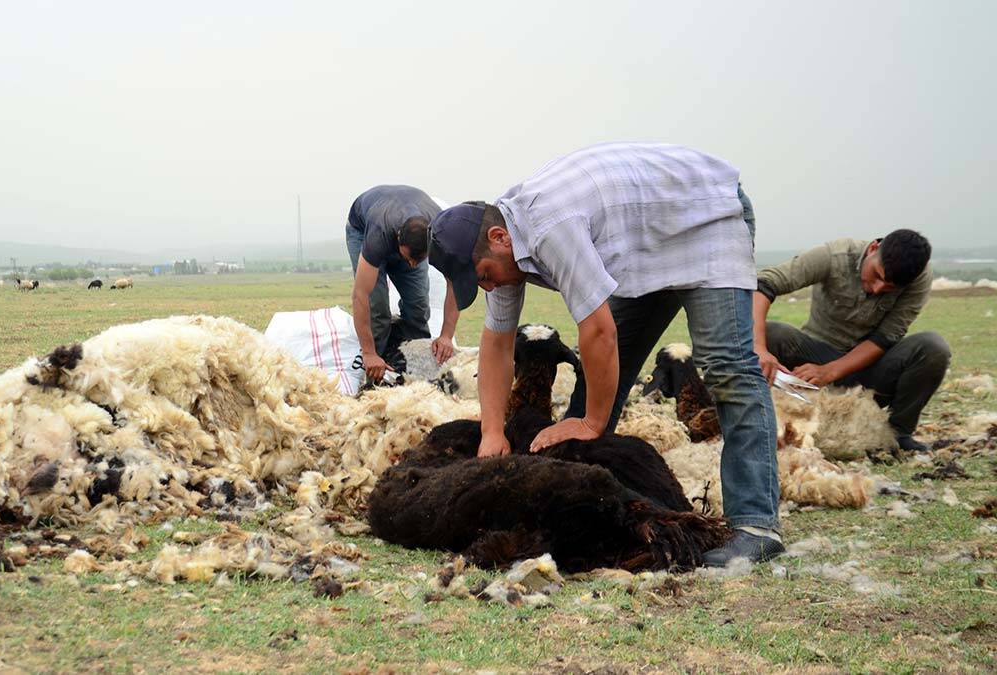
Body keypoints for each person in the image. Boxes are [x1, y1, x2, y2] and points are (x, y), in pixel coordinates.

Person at [429, 142, 782, 565]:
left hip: (703, 219)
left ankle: (756, 525)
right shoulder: (506, 246)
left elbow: (597, 331)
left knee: (727, 367)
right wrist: (491, 431)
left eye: (484, 276)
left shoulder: (548, 228)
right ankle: (610, 511)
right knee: (589, 400)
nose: (487, 288)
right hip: (642, 248)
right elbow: (497, 343)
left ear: (499, 238)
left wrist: (592, 422)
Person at [755, 230, 947, 452]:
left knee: (933, 347)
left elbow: (885, 338)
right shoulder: (835, 256)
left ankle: (897, 435)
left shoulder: (918, 278)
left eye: (889, 288)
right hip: (814, 356)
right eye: (877, 275)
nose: (877, 289)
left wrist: (830, 372)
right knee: (770, 333)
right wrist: (759, 348)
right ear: (873, 249)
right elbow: (765, 284)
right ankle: (756, 419)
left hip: (871, 369)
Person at [347, 185, 460, 382]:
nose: (413, 264)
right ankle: (375, 376)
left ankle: (418, 374)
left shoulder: (442, 230)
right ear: (399, 237)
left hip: (411, 237)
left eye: (419, 259)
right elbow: (360, 295)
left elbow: (455, 284)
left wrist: (446, 336)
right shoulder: (378, 233)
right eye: (409, 257)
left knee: (418, 305)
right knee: (378, 308)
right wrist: (368, 353)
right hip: (362, 229)